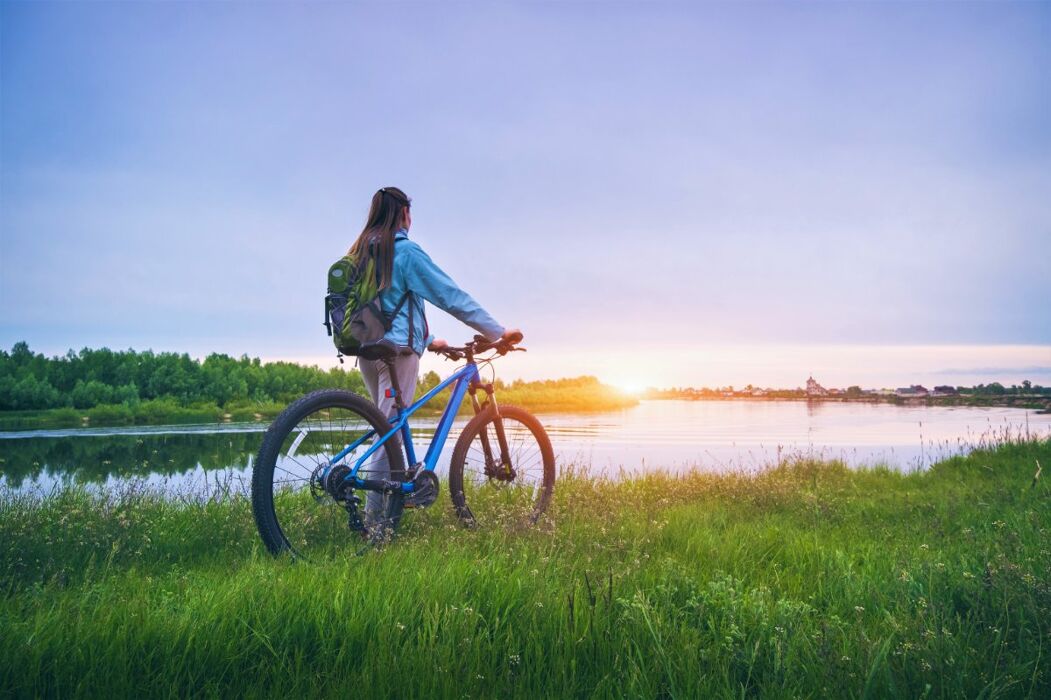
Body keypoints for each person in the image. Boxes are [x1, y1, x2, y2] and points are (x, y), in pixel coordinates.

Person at [347, 186, 520, 533]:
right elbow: (449, 295)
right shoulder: (405, 252)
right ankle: (375, 526)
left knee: (387, 428)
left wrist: (429, 340)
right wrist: (496, 331)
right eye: (410, 214)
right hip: (397, 354)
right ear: (403, 215)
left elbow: (385, 305)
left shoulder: (363, 251)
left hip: (367, 351)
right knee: (390, 433)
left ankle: (388, 507)